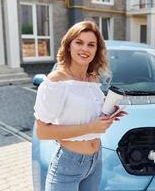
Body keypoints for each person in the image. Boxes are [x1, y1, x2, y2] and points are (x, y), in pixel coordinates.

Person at [33, 21, 126, 191]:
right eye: (79, 42)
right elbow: (43, 131)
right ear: (69, 45)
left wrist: (108, 114)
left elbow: (85, 113)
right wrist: (91, 126)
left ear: (97, 50)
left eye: (91, 45)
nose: (85, 49)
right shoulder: (55, 82)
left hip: (95, 162)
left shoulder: (92, 79)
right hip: (67, 166)